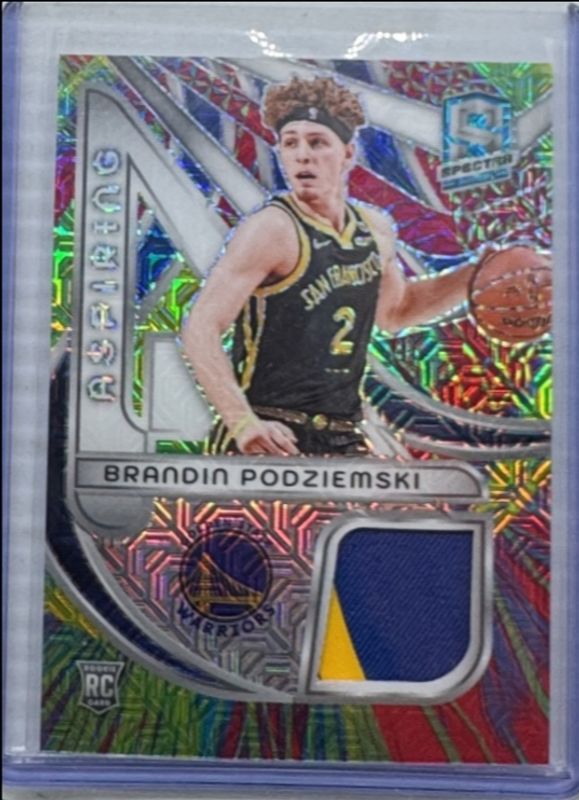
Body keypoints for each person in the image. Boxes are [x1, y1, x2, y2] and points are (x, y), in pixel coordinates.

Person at [182, 76, 474, 456]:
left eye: (317, 142)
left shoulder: (374, 228)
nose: (302, 155)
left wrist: (473, 276)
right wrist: (241, 422)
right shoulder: (272, 228)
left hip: (342, 434)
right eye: (290, 143)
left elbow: (396, 312)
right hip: (270, 429)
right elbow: (201, 326)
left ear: (348, 153)